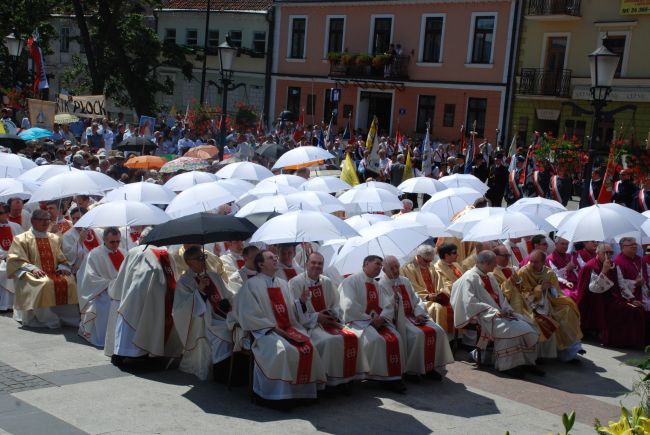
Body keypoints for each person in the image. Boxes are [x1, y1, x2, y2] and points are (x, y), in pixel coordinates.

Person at [235, 249, 326, 403]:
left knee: (308, 346)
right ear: (260, 264)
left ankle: (301, 394)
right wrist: (272, 328)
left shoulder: (283, 284)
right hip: (264, 331)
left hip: (287, 329)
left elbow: (291, 310)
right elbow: (248, 314)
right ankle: (277, 396)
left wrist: (301, 302)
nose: (276, 259)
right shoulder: (250, 285)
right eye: (271, 258)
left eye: (276, 256)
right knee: (282, 350)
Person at [450, 251, 540, 377]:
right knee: (512, 328)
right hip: (480, 315)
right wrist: (492, 311)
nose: (495, 267)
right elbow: (469, 303)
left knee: (527, 324)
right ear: (486, 263)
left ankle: (527, 362)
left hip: (497, 313)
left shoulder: (490, 276)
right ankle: (507, 366)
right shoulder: (469, 278)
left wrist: (507, 309)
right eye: (493, 264)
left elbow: (500, 297)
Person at [288, 252, 362, 387]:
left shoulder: (327, 281)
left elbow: (336, 304)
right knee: (329, 341)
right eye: (313, 263)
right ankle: (327, 381)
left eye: (320, 263)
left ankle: (346, 379)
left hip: (330, 323)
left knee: (352, 336)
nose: (316, 266)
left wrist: (332, 313)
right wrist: (312, 312)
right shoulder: (295, 283)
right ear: (306, 264)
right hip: (309, 326)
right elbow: (293, 312)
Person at [105, 245, 183, 364]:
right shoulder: (166, 253)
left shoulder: (136, 250)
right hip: (162, 293)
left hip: (138, 292)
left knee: (129, 318)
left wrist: (115, 289)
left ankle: (122, 353)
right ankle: (148, 352)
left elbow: (123, 276)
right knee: (154, 322)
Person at [339, 255, 406, 392]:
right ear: (366, 263)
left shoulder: (376, 284)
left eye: (381, 265)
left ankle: (393, 377)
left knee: (396, 337)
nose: (380, 267)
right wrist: (369, 319)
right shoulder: (351, 281)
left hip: (378, 322)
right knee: (376, 340)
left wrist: (382, 318)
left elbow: (387, 306)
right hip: (358, 322)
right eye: (377, 264)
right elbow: (349, 306)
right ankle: (379, 377)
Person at [380, 256, 453, 379]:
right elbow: (385, 308)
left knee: (438, 330)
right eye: (391, 268)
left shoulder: (405, 281)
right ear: (384, 270)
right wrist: (394, 298)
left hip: (414, 316)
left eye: (397, 266)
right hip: (399, 319)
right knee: (418, 335)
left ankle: (431, 367)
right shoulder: (381, 285)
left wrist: (419, 313)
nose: (396, 270)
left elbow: (416, 299)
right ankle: (412, 371)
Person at [7, 209, 78, 328]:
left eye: (48, 220)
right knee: (44, 283)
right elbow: (16, 259)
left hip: (53, 271)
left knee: (69, 280)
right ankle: (46, 319)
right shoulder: (21, 239)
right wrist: (32, 268)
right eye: (42, 220)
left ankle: (67, 318)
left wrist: (62, 266)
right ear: (33, 221)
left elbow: (60, 258)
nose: (46, 223)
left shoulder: (54, 238)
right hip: (31, 272)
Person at [174, 246, 235, 381]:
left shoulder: (213, 275)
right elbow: (180, 309)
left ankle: (235, 370)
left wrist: (229, 303)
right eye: (199, 258)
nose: (203, 261)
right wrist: (200, 291)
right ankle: (222, 373)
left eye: (204, 257)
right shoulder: (184, 282)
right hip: (204, 321)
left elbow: (228, 294)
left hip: (223, 315)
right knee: (224, 334)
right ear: (189, 262)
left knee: (239, 328)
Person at [518, 250, 583, 361]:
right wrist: (539, 289)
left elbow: (557, 292)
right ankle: (544, 354)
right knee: (546, 317)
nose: (532, 264)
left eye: (536, 262)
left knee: (568, 309)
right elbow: (522, 294)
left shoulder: (549, 273)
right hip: (530, 305)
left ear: (543, 262)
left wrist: (550, 288)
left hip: (550, 301)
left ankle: (570, 349)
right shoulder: (523, 272)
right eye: (531, 261)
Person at [578, 243, 646, 348]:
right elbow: (595, 289)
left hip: (613, 298)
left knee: (637, 308)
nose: (609, 255)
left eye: (611, 253)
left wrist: (631, 299)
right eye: (606, 253)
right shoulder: (590, 266)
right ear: (598, 253)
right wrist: (604, 271)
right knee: (628, 311)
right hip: (596, 301)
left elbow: (621, 284)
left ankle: (632, 341)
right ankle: (617, 340)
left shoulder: (613, 265)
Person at [77, 227, 124, 347]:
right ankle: (106, 339)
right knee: (107, 305)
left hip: (122, 290)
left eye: (118, 241)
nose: (115, 245)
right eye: (112, 242)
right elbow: (89, 277)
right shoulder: (94, 254)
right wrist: (111, 284)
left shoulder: (124, 253)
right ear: (104, 240)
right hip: (102, 291)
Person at [401, 244, 452, 337]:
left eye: (431, 261)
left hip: (435, 297)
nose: (429, 264)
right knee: (437, 308)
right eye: (426, 261)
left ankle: (452, 338)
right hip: (421, 301)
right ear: (419, 257)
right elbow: (412, 288)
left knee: (451, 305)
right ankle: (439, 337)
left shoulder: (430, 266)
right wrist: (427, 296)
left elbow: (440, 282)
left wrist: (441, 293)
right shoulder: (408, 269)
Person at [433, 243, 464, 334]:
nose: (457, 255)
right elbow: (444, 285)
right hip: (453, 295)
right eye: (454, 253)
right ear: (446, 255)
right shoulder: (437, 268)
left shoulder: (456, 264)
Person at [62, 208, 102, 274]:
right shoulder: (67, 235)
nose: (75, 221)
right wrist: (80, 241)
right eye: (73, 218)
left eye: (78, 218)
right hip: (81, 269)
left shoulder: (96, 231)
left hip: (99, 266)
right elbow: (69, 257)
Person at [0, 203, 24, 311]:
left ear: (7, 213)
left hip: (15, 259)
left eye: (1, 213)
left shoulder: (16, 226)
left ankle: (12, 304)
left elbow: (23, 244)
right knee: (3, 270)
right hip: (1, 260)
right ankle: (4, 304)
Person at [546, 237, 579, 301]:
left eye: (567, 244)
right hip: (560, 286)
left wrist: (574, 267)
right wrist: (566, 268)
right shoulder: (550, 258)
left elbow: (577, 271)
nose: (565, 246)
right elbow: (554, 275)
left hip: (574, 283)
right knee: (570, 296)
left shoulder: (569, 256)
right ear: (556, 244)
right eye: (562, 244)